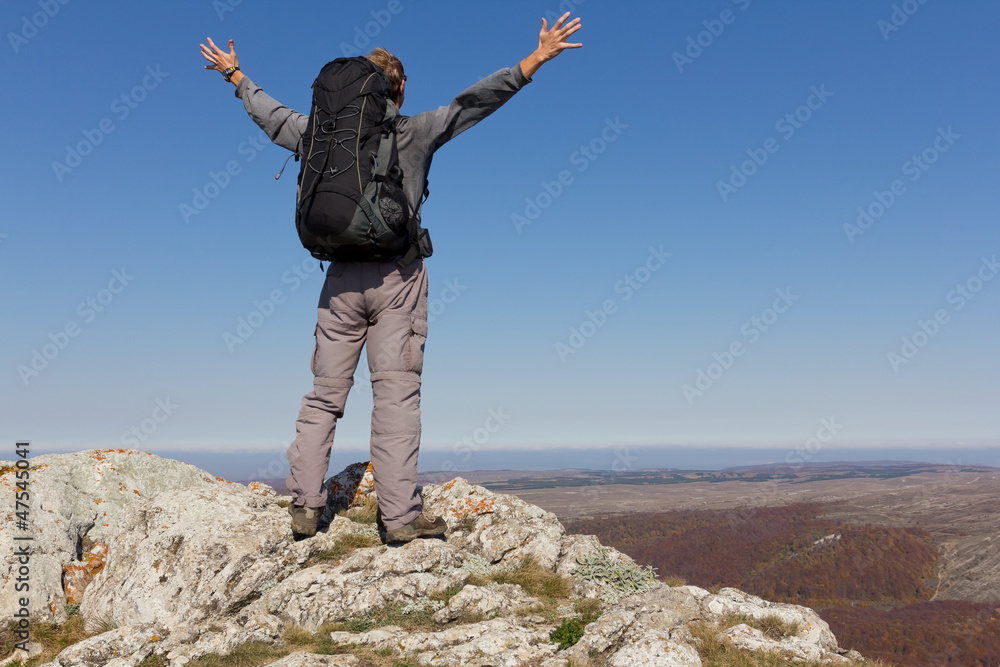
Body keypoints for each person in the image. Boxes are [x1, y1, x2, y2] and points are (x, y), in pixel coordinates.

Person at [200, 13, 582, 543]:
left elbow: (272, 116)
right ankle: (399, 519)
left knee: (324, 396)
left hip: (338, 280)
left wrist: (235, 76)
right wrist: (533, 60)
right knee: (396, 396)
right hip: (398, 279)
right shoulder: (414, 131)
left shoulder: (319, 135)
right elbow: (470, 105)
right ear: (396, 90)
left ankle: (306, 508)